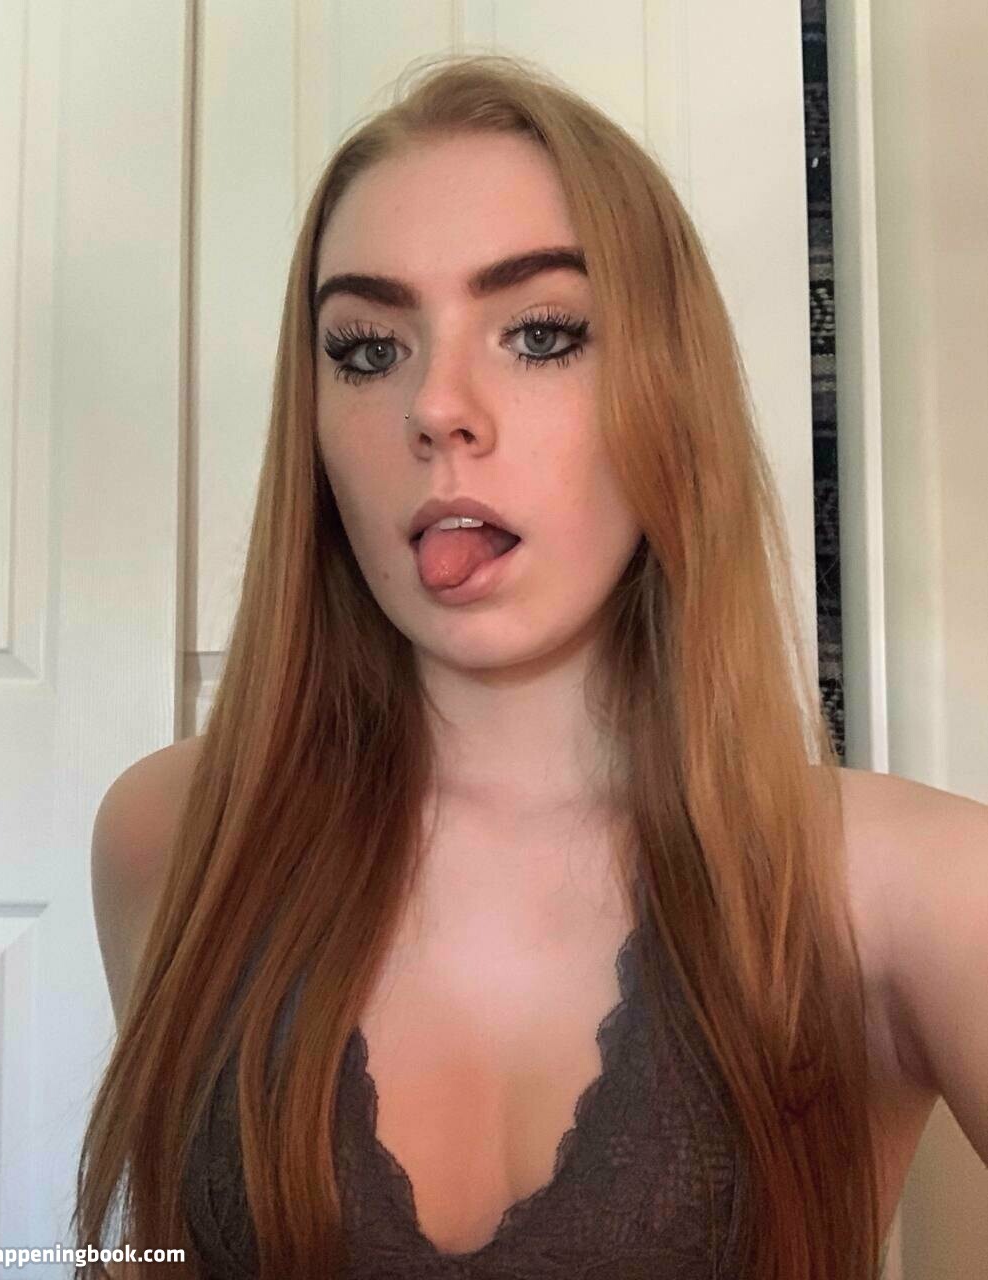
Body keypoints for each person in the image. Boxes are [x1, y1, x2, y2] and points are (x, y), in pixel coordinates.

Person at [74, 51, 985, 1280]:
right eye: (367, 348)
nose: (436, 407)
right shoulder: (172, 833)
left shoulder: (914, 893)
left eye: (542, 333)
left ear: (669, 388)